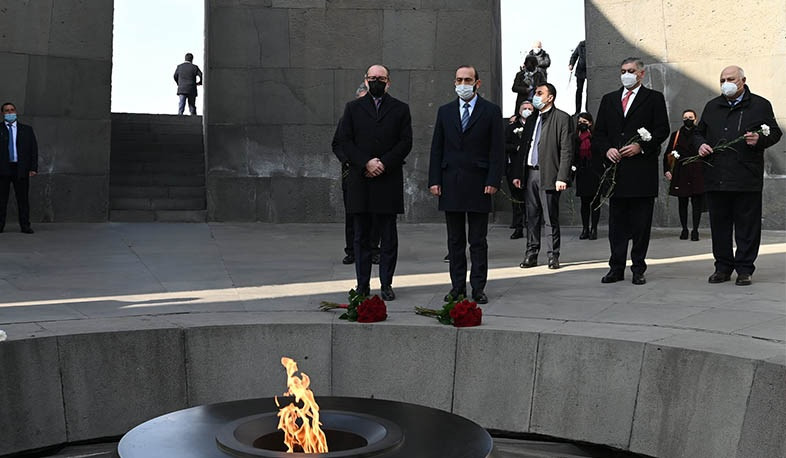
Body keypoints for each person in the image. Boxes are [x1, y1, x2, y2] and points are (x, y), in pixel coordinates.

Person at [695, 65, 782, 286]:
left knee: (747, 226)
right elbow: (697, 133)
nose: (726, 83)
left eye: (731, 78)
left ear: (743, 80)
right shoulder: (712, 106)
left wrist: (760, 140)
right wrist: (701, 145)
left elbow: (774, 132)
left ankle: (744, 268)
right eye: (722, 79)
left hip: (746, 176)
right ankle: (722, 267)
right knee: (720, 226)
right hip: (717, 175)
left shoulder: (760, 105)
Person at [429, 65, 504, 304]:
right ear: (454, 82)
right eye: (459, 79)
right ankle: (457, 287)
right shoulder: (445, 111)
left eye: (468, 80)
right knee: (455, 241)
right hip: (451, 182)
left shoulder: (490, 111)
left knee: (478, 241)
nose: (463, 84)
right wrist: (434, 180)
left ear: (477, 83)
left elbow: (497, 150)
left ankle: (478, 288)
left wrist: (493, 179)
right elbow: (436, 148)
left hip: (479, 184)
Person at [337, 64, 412, 300]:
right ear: (366, 80)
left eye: (381, 78)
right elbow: (343, 142)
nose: (376, 81)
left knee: (388, 237)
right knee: (361, 237)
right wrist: (366, 163)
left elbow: (405, 142)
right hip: (362, 181)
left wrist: (383, 164)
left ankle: (386, 284)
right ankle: (362, 285)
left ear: (388, 81)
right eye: (372, 78)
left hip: (387, 181)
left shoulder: (400, 109)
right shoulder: (353, 108)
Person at [592, 57, 669, 285]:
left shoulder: (653, 99)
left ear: (641, 74)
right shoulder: (609, 100)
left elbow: (662, 130)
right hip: (616, 174)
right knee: (617, 225)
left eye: (631, 71)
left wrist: (641, 146)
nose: (626, 74)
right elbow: (600, 134)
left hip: (641, 173)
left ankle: (638, 268)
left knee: (640, 224)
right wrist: (607, 150)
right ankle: (616, 267)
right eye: (623, 70)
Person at [513, 83, 573, 270]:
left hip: (550, 174)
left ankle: (553, 255)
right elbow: (524, 147)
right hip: (530, 173)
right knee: (531, 216)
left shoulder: (562, 118)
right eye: (535, 93)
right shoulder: (532, 119)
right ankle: (531, 253)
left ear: (550, 97)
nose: (535, 96)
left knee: (550, 217)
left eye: (540, 93)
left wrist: (562, 176)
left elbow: (567, 149)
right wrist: (518, 173)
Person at [332, 83, 381, 266]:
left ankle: (374, 249)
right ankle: (352, 250)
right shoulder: (347, 117)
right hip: (352, 173)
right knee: (353, 213)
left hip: (375, 172)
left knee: (376, 214)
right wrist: (350, 161)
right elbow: (338, 144)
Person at [663, 109, 705, 241]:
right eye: (685, 117)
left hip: (697, 171)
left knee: (697, 203)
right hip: (681, 172)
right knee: (682, 202)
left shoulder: (701, 133)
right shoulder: (676, 134)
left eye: (690, 117)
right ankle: (684, 229)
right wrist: (667, 170)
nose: (688, 119)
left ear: (695, 119)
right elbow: (668, 152)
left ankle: (695, 230)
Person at [0, 102, 38, 234]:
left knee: (23, 199)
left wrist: (33, 167)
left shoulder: (26, 130)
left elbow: (33, 150)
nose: (10, 113)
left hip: (20, 168)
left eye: (12, 110)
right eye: (7, 111)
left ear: (16, 111)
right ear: (3, 113)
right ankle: (0, 225)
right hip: (3, 169)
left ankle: (25, 225)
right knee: (1, 199)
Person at [504, 100, 536, 239]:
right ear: (519, 111)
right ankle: (518, 227)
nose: (527, 110)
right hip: (514, 167)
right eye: (524, 108)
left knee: (532, 199)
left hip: (530, 168)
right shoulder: (512, 128)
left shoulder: (536, 125)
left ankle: (532, 226)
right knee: (516, 198)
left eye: (530, 108)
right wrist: (517, 148)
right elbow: (503, 144)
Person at [572, 112, 602, 240]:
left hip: (594, 172)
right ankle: (585, 228)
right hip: (582, 172)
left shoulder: (595, 136)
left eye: (585, 122)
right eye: (580, 122)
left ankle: (594, 228)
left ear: (590, 123)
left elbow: (599, 151)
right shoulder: (575, 137)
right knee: (584, 202)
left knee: (595, 201)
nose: (582, 124)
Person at [568, 40, 587, 114]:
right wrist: (571, 64)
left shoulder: (593, 44)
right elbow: (574, 55)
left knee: (589, 90)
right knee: (579, 90)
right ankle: (577, 110)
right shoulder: (581, 44)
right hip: (580, 70)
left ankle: (587, 108)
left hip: (590, 70)